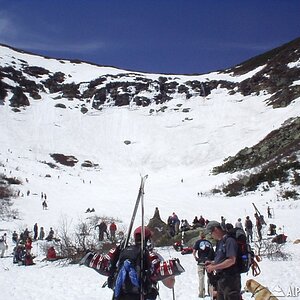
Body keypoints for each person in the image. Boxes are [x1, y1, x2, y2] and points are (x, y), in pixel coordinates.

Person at [80, 226, 184, 300]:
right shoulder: (151, 255)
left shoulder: (122, 253)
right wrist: (173, 272)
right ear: (148, 239)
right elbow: (169, 284)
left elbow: (106, 265)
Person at [205, 221, 241, 300]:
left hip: (231, 280)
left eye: (211, 233)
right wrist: (212, 263)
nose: (211, 235)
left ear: (216, 229)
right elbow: (221, 259)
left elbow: (231, 260)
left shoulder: (229, 241)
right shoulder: (220, 242)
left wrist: (214, 267)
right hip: (221, 280)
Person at [193, 231, 215, 298]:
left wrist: (195, 257)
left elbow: (194, 251)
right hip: (209, 262)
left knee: (201, 277)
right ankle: (211, 292)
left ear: (200, 236)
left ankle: (201, 293)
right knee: (210, 277)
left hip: (201, 261)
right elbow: (212, 253)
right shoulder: (209, 243)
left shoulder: (198, 242)